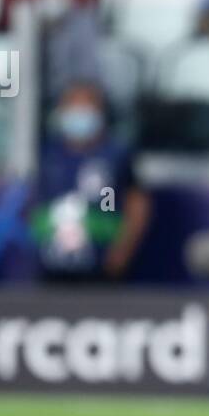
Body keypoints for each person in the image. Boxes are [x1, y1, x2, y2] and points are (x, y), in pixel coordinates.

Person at [32, 83, 151, 282]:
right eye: (73, 106)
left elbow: (138, 205)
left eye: (87, 106)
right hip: (51, 266)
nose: (80, 113)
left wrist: (121, 251)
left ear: (101, 112)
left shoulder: (116, 155)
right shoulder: (47, 155)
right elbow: (32, 205)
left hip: (102, 268)